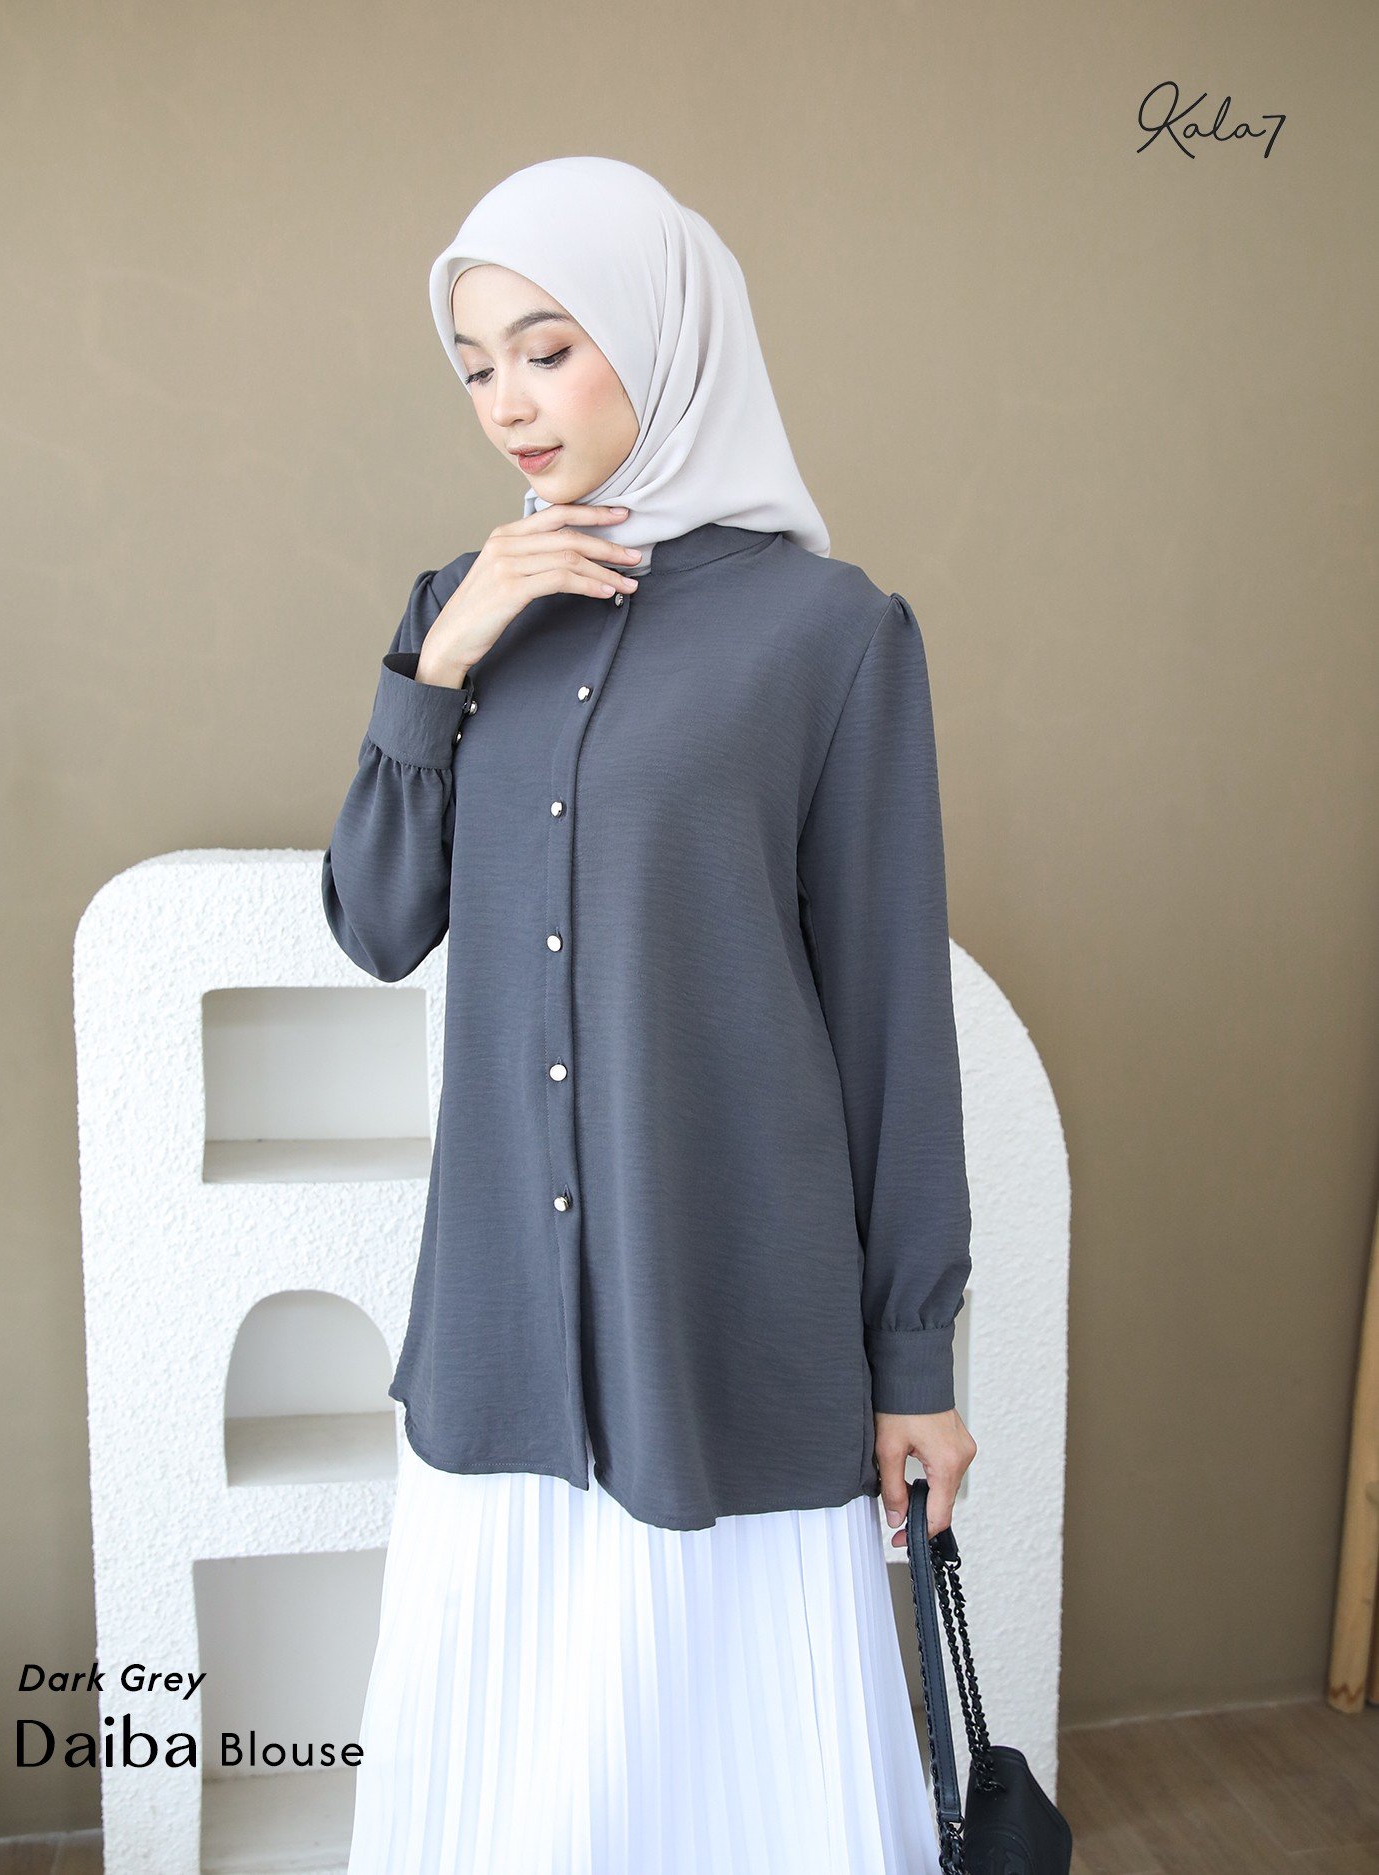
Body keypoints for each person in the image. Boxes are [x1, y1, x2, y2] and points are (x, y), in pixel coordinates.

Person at [324, 155, 977, 1875]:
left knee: (734, 1791)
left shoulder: (831, 636)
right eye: (476, 366)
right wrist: (440, 665)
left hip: (729, 1322)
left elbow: (891, 1021)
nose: (508, 404)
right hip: (503, 1331)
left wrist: (915, 1359)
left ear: (664, 333)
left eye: (548, 349)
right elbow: (377, 925)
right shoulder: (457, 610)